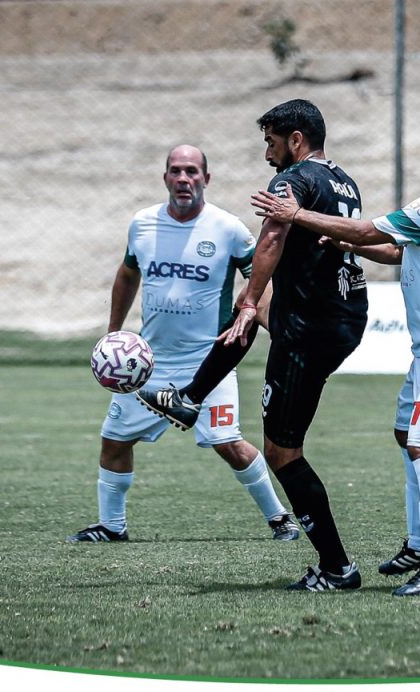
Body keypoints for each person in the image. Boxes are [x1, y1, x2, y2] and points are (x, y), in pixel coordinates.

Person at [252, 120, 420, 596]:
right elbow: (398, 250)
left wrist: (296, 213)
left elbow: (367, 228)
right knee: (407, 435)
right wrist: (351, 245)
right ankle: (419, 545)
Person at [140, 101, 369, 592]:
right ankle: (190, 398)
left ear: (296, 139)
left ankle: (337, 568)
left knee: (282, 452)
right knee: (256, 308)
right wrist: (253, 302)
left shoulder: (292, 179)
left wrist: (248, 301)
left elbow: (271, 237)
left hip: (311, 326)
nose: (267, 153)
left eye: (271, 142)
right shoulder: (343, 180)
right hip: (344, 314)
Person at [68, 144, 300, 544]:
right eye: (175, 170)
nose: (183, 178)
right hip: (147, 365)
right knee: (114, 441)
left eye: (192, 171)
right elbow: (127, 274)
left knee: (228, 443)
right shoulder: (143, 224)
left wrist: (267, 322)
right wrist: (114, 331)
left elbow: (261, 279)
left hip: (209, 364)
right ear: (165, 178)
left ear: (205, 179)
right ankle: (111, 526)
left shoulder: (228, 229)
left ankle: (281, 519)